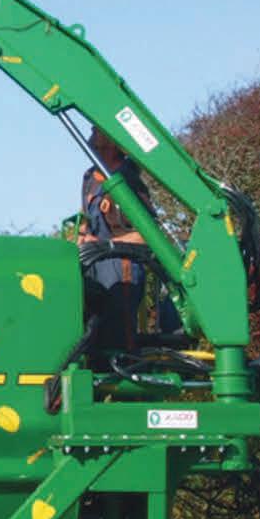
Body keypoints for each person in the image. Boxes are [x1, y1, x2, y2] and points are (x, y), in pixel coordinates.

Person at [78, 129, 155, 353]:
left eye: (97, 130)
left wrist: (107, 245)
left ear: (113, 140)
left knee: (117, 334)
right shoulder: (89, 177)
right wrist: (82, 237)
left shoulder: (128, 179)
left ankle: (123, 365)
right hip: (92, 262)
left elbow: (149, 235)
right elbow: (84, 220)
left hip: (120, 264)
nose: (91, 134)